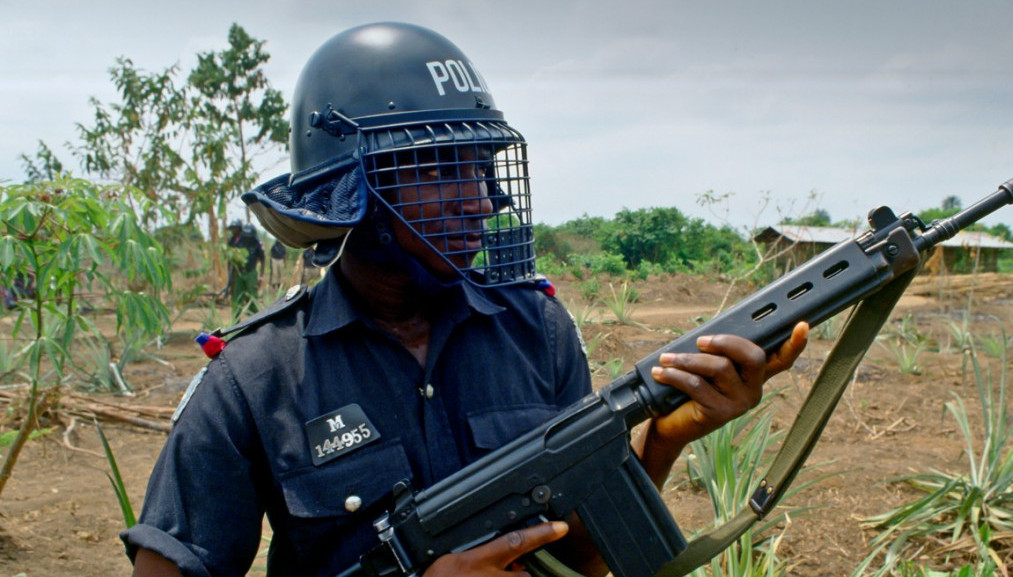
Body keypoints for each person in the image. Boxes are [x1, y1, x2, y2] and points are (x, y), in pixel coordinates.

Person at [122, 22, 808, 577]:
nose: (480, 200)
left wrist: (661, 441)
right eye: (440, 169)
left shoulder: (536, 330)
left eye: (479, 168)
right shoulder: (254, 378)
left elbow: (580, 555)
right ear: (349, 189)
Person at [224, 219, 265, 319]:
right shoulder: (236, 242)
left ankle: (254, 320)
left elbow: (263, 260)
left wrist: (261, 276)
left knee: (252, 297)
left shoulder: (257, 244)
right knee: (237, 298)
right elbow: (231, 260)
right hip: (238, 274)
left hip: (251, 273)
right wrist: (231, 276)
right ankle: (235, 322)